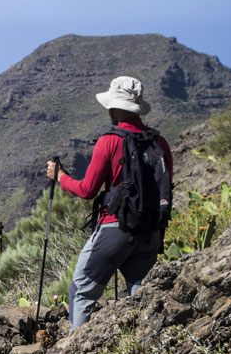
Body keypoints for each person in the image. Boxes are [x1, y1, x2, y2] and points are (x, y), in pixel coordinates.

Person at [47, 76, 174, 330]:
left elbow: (87, 190)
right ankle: (147, 343)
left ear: (114, 109)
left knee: (82, 290)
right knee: (142, 295)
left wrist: (60, 177)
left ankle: (75, 348)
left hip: (116, 228)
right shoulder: (160, 143)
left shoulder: (109, 141)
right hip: (151, 231)